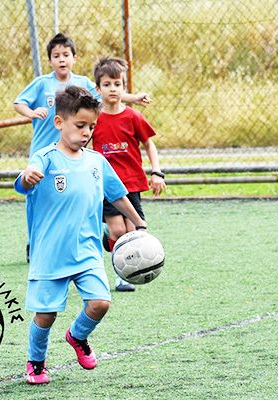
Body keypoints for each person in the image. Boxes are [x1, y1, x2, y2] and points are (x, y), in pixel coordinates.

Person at [14, 86, 148, 384]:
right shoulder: (45, 158)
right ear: (59, 122)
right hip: (50, 253)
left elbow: (118, 195)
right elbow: (24, 181)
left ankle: (77, 336)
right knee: (46, 315)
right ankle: (36, 362)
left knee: (100, 303)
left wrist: (139, 223)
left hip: (87, 250)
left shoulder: (96, 161)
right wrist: (27, 177)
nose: (86, 132)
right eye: (80, 125)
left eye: (91, 126)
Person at [14, 32, 151, 263]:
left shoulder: (84, 84)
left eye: (66, 55)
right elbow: (19, 102)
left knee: (78, 195)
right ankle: (35, 242)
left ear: (74, 58)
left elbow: (108, 92)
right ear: (49, 60)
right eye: (56, 55)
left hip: (74, 153)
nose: (62, 59)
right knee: (40, 197)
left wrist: (133, 98)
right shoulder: (42, 84)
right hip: (47, 153)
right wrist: (31, 112)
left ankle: (87, 239)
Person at [91, 56, 167, 292]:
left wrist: (157, 172)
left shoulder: (133, 117)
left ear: (124, 88)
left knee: (132, 231)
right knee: (118, 231)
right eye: (107, 84)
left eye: (117, 84)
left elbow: (149, 145)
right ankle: (120, 275)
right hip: (106, 185)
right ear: (98, 89)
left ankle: (130, 265)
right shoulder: (94, 118)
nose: (113, 89)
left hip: (131, 183)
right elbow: (85, 146)